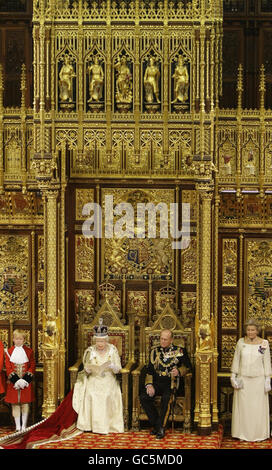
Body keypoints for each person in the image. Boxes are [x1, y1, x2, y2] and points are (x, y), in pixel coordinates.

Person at [72, 318, 124, 434]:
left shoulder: (113, 350)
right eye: (98, 341)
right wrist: (88, 369)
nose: (100, 344)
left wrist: (112, 367)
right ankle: (91, 425)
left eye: (102, 341)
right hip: (94, 378)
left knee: (106, 394)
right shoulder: (90, 351)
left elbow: (118, 369)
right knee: (90, 393)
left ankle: (107, 426)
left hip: (109, 378)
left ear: (106, 340)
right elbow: (85, 369)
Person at [140, 329, 192, 439]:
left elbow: (188, 367)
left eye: (165, 339)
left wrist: (179, 371)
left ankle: (161, 428)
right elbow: (149, 370)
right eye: (161, 339)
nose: (162, 341)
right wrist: (149, 385)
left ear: (171, 340)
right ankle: (157, 424)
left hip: (171, 383)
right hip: (157, 382)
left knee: (166, 398)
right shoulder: (154, 352)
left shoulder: (180, 351)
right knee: (144, 397)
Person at [231, 319, 271, 441]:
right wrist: (233, 376)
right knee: (244, 409)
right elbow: (237, 359)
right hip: (244, 380)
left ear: (257, 330)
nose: (250, 332)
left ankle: (259, 434)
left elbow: (266, 361)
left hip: (258, 381)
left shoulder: (264, 343)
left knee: (257, 409)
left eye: (252, 330)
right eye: (248, 330)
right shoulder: (240, 342)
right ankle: (242, 434)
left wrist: (267, 379)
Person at [5, 329, 35, 432]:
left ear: (24, 340)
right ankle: (18, 426)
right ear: (13, 339)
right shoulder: (9, 352)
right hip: (13, 384)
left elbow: (32, 366)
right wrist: (16, 381)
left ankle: (24, 426)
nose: (18, 341)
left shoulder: (29, 351)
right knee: (15, 404)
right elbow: (8, 368)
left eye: (20, 339)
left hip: (26, 383)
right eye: (16, 339)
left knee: (25, 404)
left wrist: (25, 380)